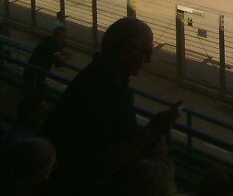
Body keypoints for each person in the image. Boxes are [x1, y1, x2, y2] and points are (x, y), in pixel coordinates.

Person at [44, 17, 181, 194]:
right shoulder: (96, 93)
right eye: (146, 53)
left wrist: (149, 137)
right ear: (124, 53)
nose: (148, 60)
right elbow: (97, 165)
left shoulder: (108, 82)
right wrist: (151, 132)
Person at [23, 26, 70, 94]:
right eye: (64, 36)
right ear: (59, 36)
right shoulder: (53, 44)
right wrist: (67, 57)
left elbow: (59, 53)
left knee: (39, 92)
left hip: (35, 71)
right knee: (35, 93)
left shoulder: (49, 40)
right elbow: (59, 58)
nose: (65, 38)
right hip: (34, 73)